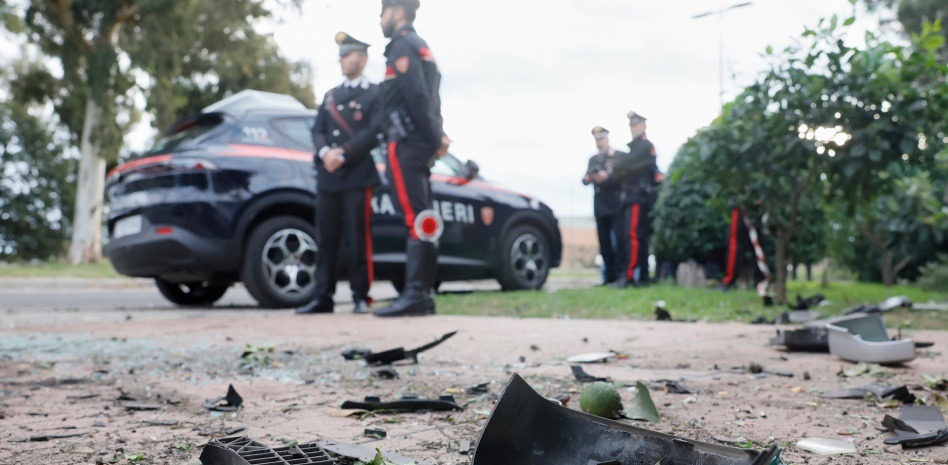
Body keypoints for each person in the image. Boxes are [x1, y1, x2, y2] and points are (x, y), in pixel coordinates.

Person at [372, 0, 451, 317]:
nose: (380, 19)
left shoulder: (403, 45)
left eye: (383, 12)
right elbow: (433, 99)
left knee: (415, 219)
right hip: (419, 143)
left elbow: (417, 95)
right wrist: (437, 135)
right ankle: (423, 295)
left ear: (398, 11)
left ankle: (416, 294)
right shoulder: (421, 45)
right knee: (424, 218)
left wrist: (436, 136)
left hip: (405, 143)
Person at [296, 32, 382, 315]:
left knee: (358, 238)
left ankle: (361, 296)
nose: (342, 60)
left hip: (357, 175)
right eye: (341, 55)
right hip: (328, 176)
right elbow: (318, 130)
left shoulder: (375, 93)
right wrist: (325, 153)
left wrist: (344, 153)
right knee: (326, 239)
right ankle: (323, 297)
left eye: (348, 54)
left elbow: (374, 130)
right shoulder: (331, 95)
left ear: (363, 58)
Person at [613, 111, 658, 288]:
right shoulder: (635, 149)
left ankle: (630, 276)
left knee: (632, 236)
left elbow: (623, 165)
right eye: (631, 125)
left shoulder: (645, 147)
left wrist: (621, 166)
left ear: (643, 126)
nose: (633, 128)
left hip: (637, 198)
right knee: (639, 237)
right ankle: (643, 276)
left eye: (636, 125)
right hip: (635, 198)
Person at [582, 127, 624, 285]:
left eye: (601, 139)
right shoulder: (593, 159)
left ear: (607, 139)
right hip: (600, 207)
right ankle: (609, 277)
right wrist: (589, 178)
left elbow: (622, 177)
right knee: (604, 243)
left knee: (619, 241)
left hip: (616, 206)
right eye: (597, 140)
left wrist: (607, 177)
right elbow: (585, 179)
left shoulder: (617, 156)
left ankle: (621, 275)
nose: (599, 143)